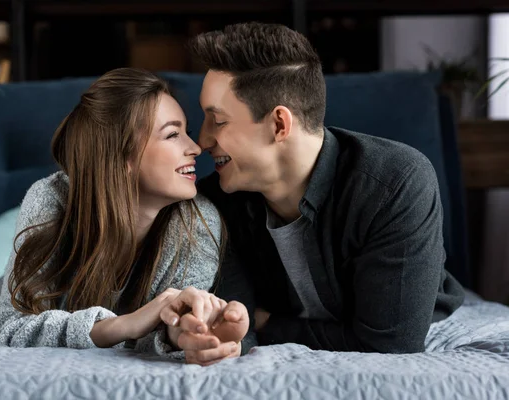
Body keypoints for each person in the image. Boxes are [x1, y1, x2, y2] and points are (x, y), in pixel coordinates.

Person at [168, 22, 465, 363]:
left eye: (217, 121)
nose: (203, 141)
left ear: (279, 124)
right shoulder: (217, 203)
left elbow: (391, 345)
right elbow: (237, 323)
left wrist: (270, 324)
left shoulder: (395, 183)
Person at [0, 68, 249, 360]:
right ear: (122, 155)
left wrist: (186, 334)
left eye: (186, 133)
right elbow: (11, 328)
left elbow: (161, 332)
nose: (195, 148)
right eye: (173, 134)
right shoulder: (51, 198)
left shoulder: (198, 223)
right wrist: (124, 324)